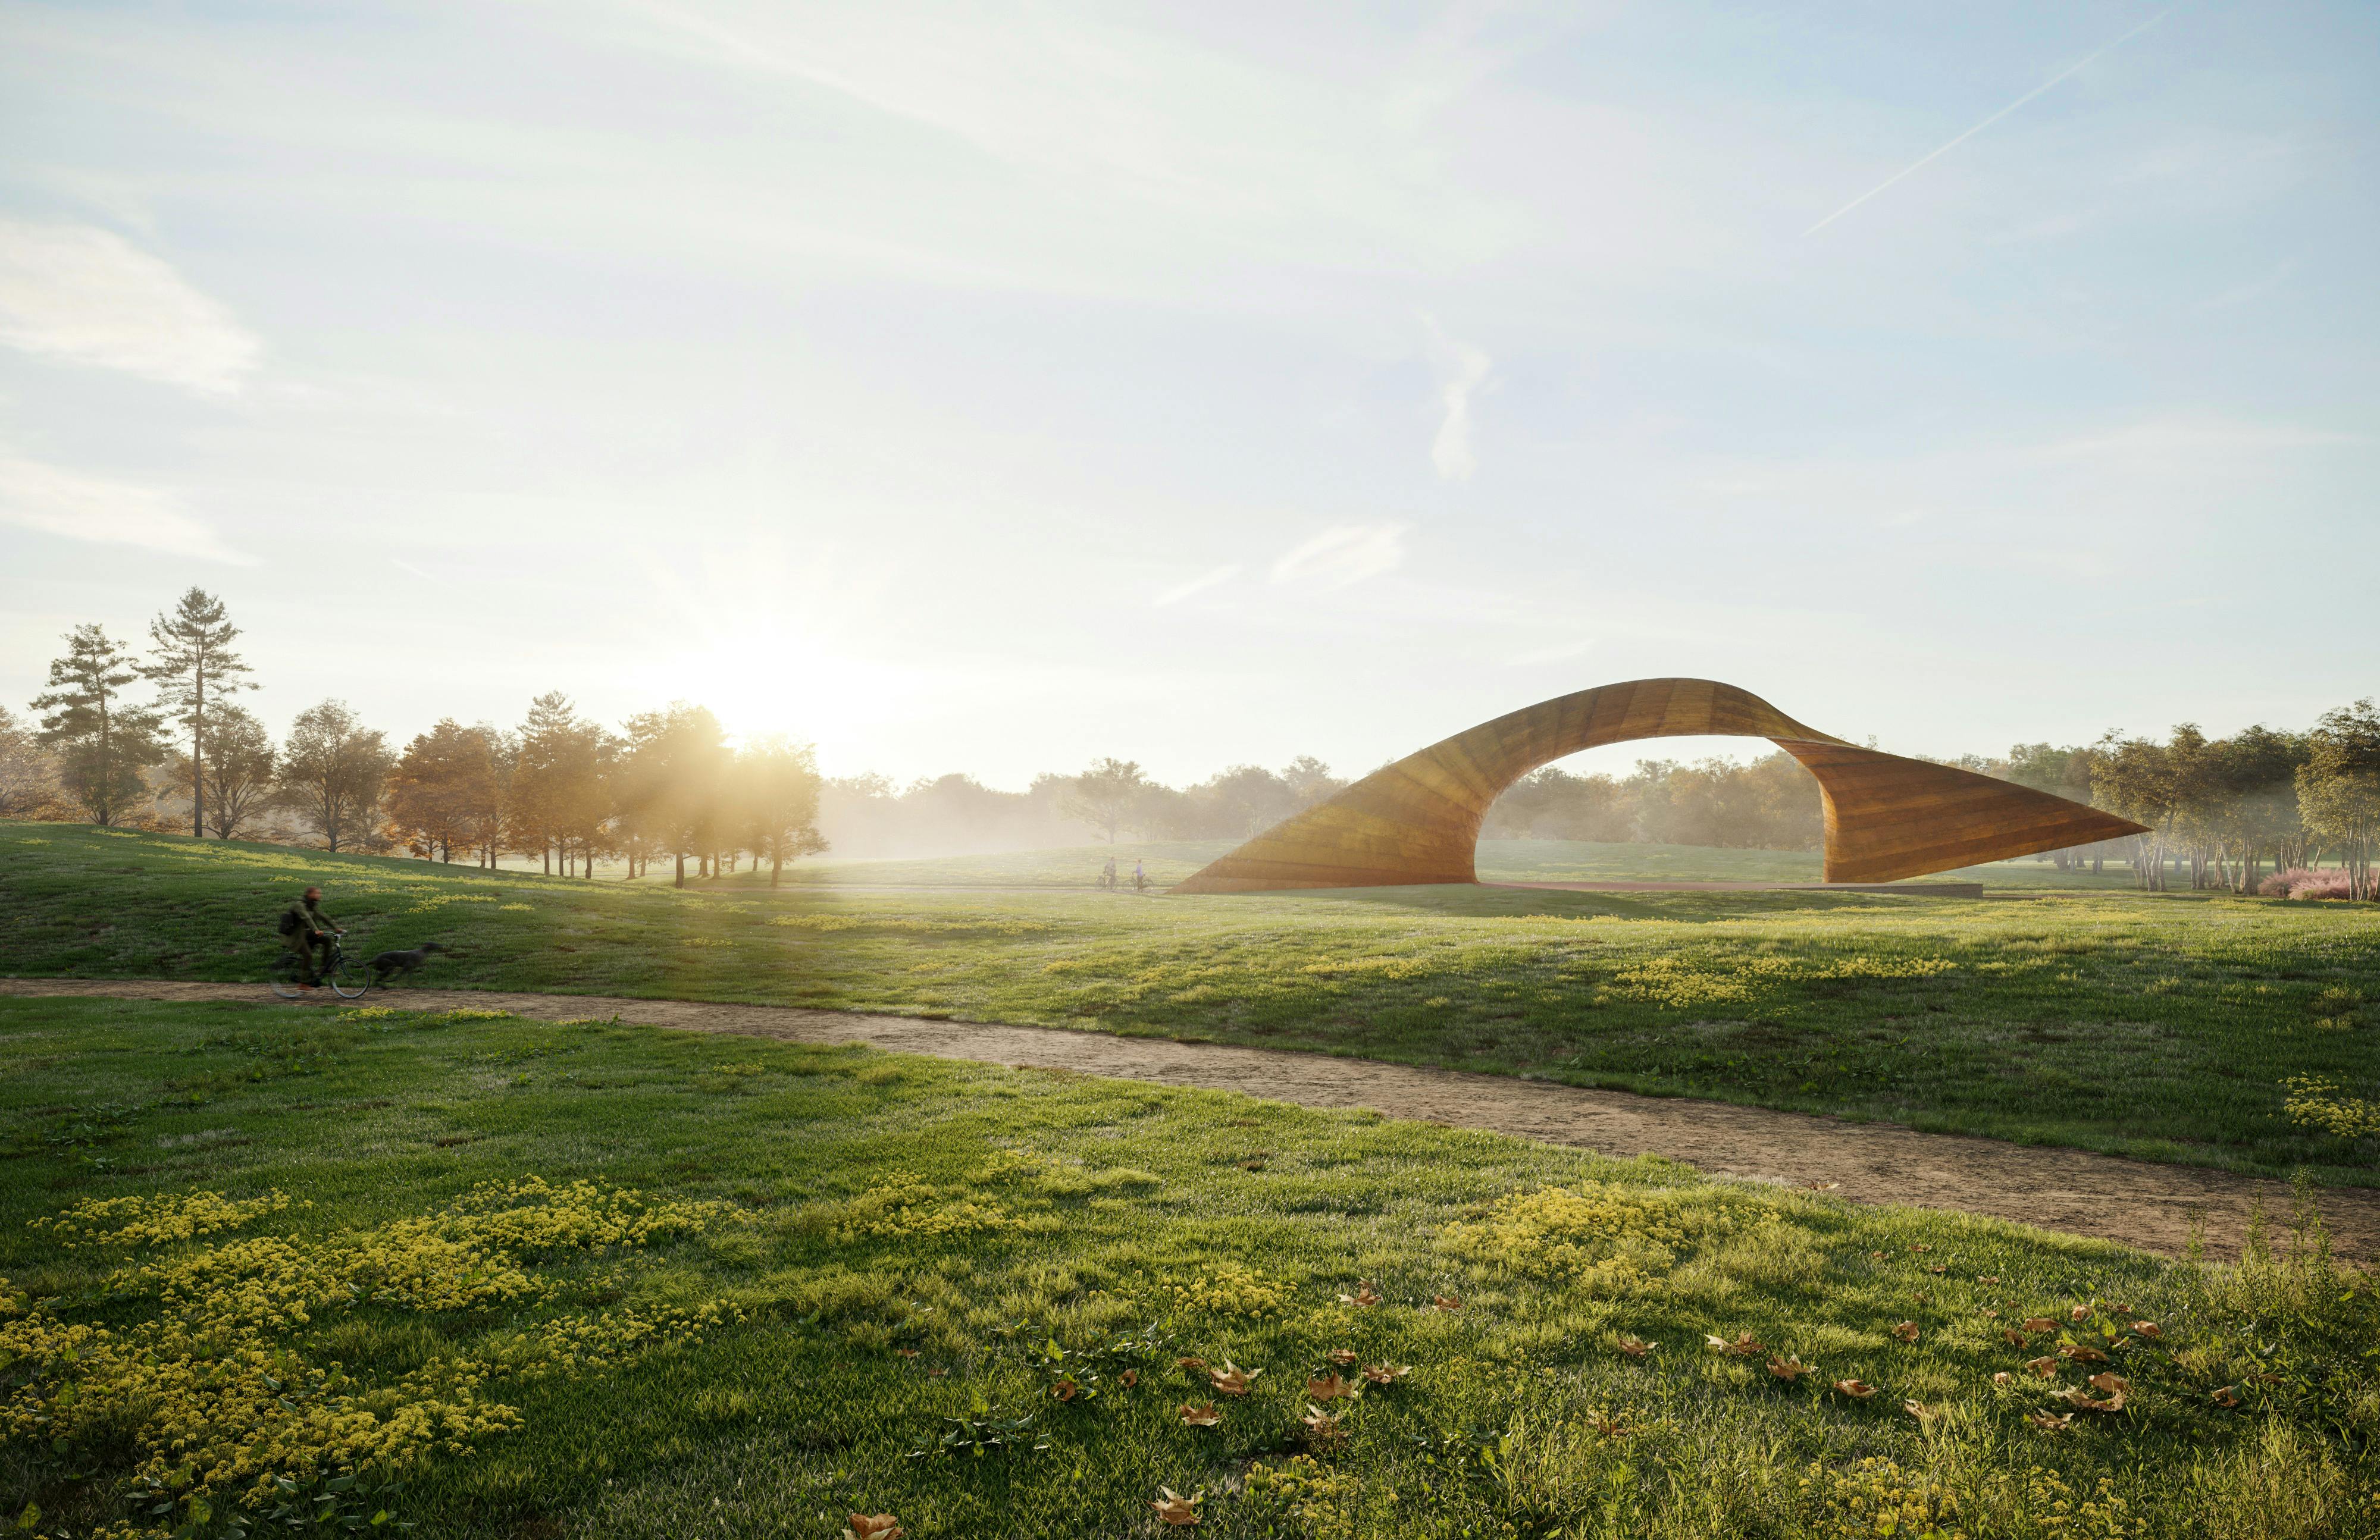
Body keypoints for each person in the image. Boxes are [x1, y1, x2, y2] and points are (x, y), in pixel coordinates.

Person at [281, 885, 343, 987]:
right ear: (309, 894)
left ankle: (324, 968)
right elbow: (306, 918)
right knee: (308, 955)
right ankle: (303, 983)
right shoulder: (299, 905)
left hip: (304, 934)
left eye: (320, 893)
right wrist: (316, 930)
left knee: (327, 940)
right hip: (294, 937)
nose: (320, 895)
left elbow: (323, 917)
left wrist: (336, 928)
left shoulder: (312, 906)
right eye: (317, 893)